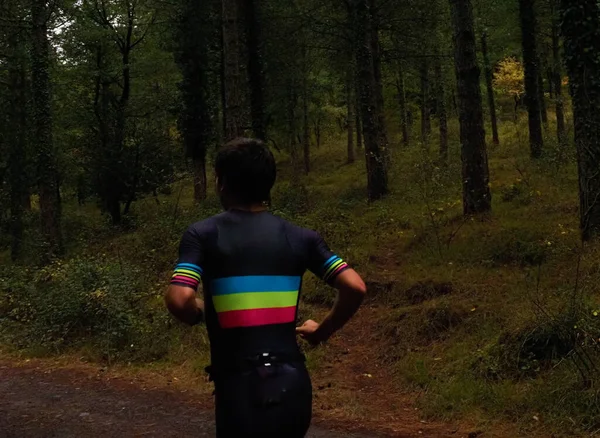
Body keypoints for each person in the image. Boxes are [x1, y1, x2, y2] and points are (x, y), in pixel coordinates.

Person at [165, 138, 367, 438]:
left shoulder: (203, 234)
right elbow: (355, 287)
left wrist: (201, 314)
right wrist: (322, 332)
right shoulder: (301, 237)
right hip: (294, 385)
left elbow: (180, 300)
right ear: (269, 182)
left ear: (220, 182)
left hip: (240, 389)